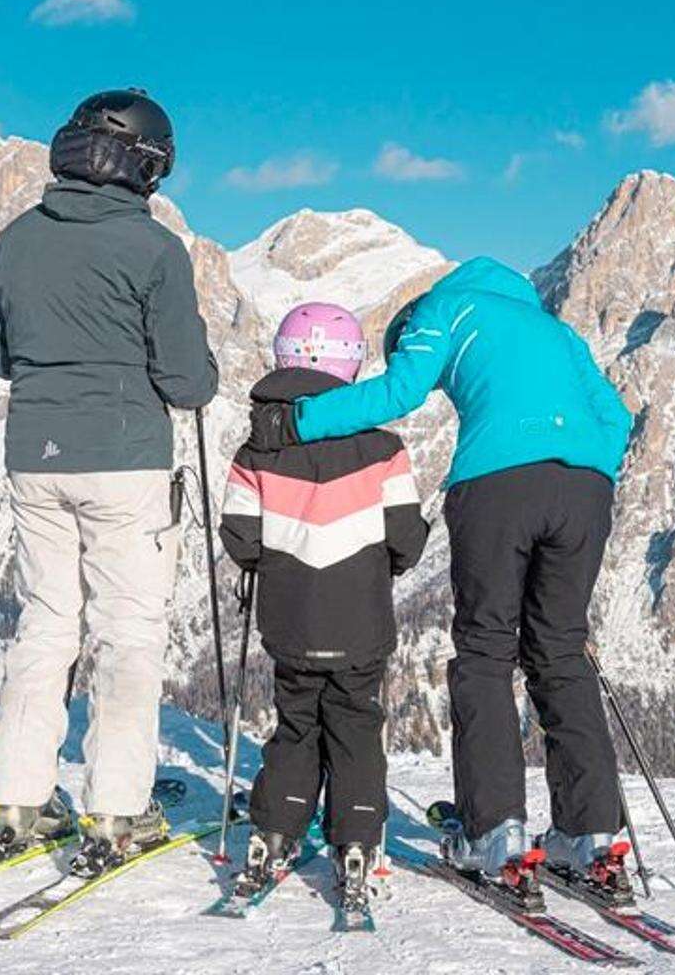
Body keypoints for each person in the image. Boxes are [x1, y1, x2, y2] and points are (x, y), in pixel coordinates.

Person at [250, 257, 636, 903]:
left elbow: (400, 392)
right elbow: (617, 420)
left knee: (486, 651)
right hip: (587, 488)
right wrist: (578, 473)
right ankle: (591, 835)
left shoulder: (441, 310)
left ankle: (493, 835)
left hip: (497, 486)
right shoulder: (554, 328)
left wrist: (295, 423)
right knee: (561, 652)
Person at [0, 89, 217, 875]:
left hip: (34, 456)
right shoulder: (153, 249)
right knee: (127, 631)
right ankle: (114, 811)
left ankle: (16, 800)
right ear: (144, 165)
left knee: (47, 621)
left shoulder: (14, 240)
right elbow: (185, 381)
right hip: (124, 458)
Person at [219, 302, 429, 914]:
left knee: (297, 724)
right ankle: (357, 839)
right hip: (361, 620)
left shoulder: (256, 449)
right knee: (357, 727)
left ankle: (276, 832)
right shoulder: (383, 448)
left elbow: (240, 540)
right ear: (353, 365)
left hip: (289, 620)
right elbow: (406, 540)